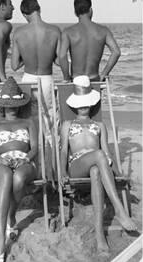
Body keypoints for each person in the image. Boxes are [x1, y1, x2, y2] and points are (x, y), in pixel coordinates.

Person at [59, 76, 137, 252]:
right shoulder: (67, 124)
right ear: (74, 104)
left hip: (97, 163)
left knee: (96, 170)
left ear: (92, 103)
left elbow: (108, 155)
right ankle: (119, 209)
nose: (83, 106)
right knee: (99, 155)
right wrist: (63, 172)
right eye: (80, 102)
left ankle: (100, 235)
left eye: (86, 102)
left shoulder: (100, 125)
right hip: (77, 166)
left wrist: (118, 173)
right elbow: (64, 150)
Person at [0, 77, 38, 262]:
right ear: (1, 106)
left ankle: (11, 216)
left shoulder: (28, 122)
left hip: (24, 162)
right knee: (8, 175)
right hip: (1, 163)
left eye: (14, 104)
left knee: (18, 179)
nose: (11, 108)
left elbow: (34, 149)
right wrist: (3, 160)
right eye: (7, 105)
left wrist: (25, 158)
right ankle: (1, 238)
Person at [11, 0, 63, 114]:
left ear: (24, 14)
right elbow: (60, 61)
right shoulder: (55, 31)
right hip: (46, 79)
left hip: (28, 79)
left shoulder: (19, 33)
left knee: (29, 116)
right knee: (49, 116)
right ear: (39, 9)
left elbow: (14, 66)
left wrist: (26, 57)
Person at [59, 0, 121, 82]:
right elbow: (116, 52)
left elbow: (62, 56)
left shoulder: (68, 32)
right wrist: (104, 73)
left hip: (76, 81)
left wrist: (66, 77)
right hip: (94, 80)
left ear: (75, 13)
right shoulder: (104, 31)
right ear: (90, 10)